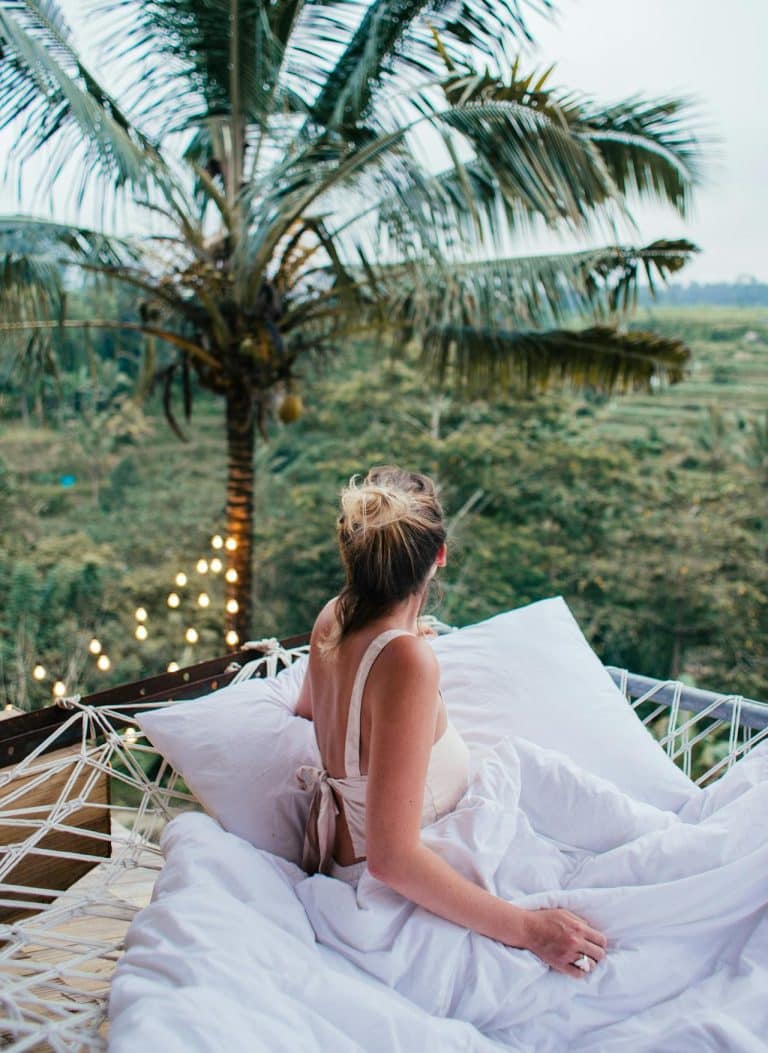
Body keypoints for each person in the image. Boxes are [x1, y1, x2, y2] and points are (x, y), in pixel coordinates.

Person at [295, 465, 607, 980]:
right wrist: (530, 931)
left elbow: (312, 708)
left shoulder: (333, 617)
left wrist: (402, 648)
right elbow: (392, 861)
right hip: (401, 891)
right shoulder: (405, 663)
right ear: (437, 557)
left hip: (343, 858)